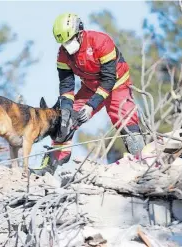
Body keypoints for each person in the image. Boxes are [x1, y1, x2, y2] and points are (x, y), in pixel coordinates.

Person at [35, 13, 146, 175]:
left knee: (125, 119)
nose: (67, 46)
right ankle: (52, 162)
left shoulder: (101, 42)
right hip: (90, 87)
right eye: (63, 43)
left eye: (69, 40)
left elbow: (109, 79)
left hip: (117, 84)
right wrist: (66, 112)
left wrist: (90, 106)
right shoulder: (63, 54)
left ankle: (142, 161)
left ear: (79, 33)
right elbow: (66, 86)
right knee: (65, 120)